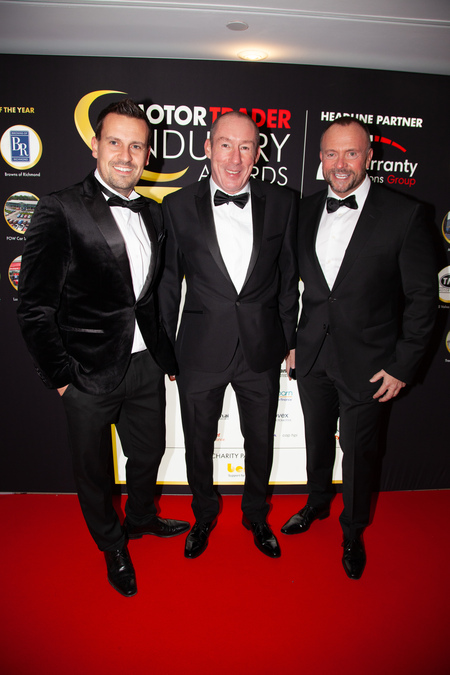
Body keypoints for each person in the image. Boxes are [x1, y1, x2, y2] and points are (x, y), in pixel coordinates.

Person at [17, 99, 189, 597]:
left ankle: (141, 517)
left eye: (137, 146)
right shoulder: (60, 208)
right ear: (95, 145)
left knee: (149, 453)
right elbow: (34, 306)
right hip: (86, 372)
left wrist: (164, 355)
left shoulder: (153, 213)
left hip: (145, 365)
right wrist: (61, 379)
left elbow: (148, 297)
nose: (125, 155)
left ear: (148, 154)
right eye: (115, 142)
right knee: (93, 471)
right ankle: (112, 544)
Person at [281, 117, 437, 579]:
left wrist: (403, 365)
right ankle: (316, 502)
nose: (341, 164)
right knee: (315, 441)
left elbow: (423, 299)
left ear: (369, 157)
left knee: (359, 452)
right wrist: (291, 341)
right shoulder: (304, 210)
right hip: (311, 354)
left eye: (351, 153)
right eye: (332, 153)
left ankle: (352, 531)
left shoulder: (404, 214)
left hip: (370, 363)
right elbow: (289, 285)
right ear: (320, 159)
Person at [159, 111, 298, 559]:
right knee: (198, 444)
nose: (235, 158)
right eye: (225, 145)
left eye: (245, 147)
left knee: (260, 442)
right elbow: (167, 284)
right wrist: (165, 350)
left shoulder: (283, 202)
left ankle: (255, 515)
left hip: (262, 350)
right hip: (199, 351)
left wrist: (289, 340)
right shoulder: (177, 206)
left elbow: (288, 278)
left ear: (257, 153)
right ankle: (203, 514)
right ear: (207, 148)